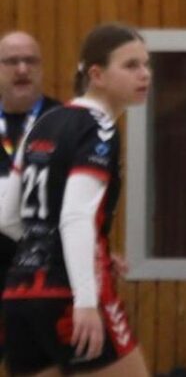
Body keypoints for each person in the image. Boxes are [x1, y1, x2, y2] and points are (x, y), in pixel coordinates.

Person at [0, 23, 152, 377]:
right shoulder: (98, 127)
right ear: (97, 75)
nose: (145, 74)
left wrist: (61, 248)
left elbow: (7, 217)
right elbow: (76, 216)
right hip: (68, 295)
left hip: (19, 293)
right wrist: (85, 299)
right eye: (131, 65)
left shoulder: (41, 123)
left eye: (146, 64)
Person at [0, 31, 62, 363]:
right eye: (12, 61)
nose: (22, 69)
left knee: (36, 363)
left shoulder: (63, 120)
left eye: (30, 61)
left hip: (42, 265)